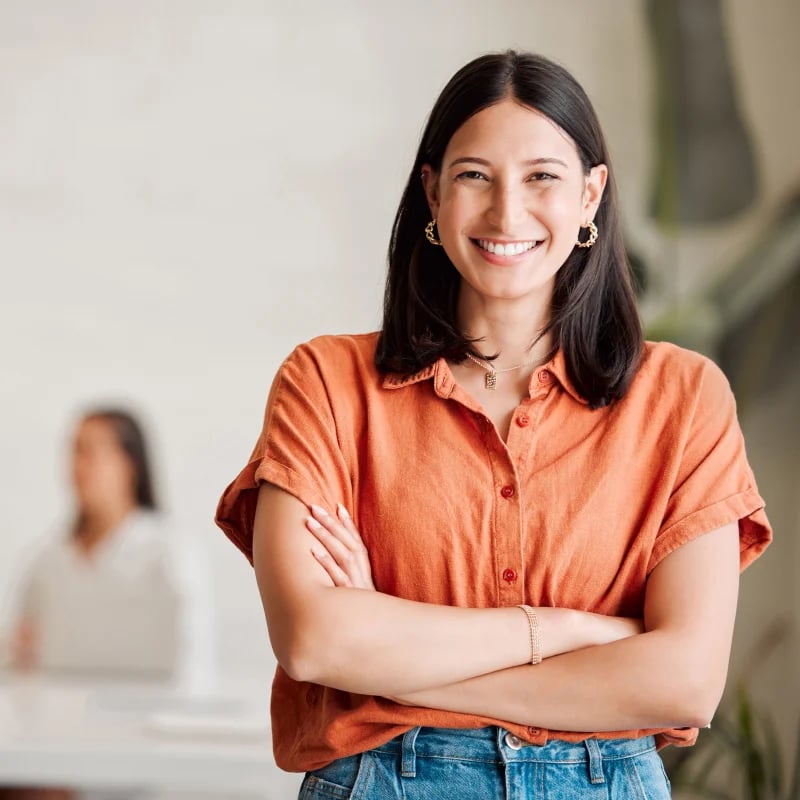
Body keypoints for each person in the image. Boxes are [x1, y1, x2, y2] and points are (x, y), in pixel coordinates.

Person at [215, 51, 772, 799]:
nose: (507, 212)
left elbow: (684, 682)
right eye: (475, 175)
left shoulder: (684, 395)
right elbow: (316, 642)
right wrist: (570, 632)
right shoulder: (325, 383)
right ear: (432, 196)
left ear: (590, 195)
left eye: (542, 176)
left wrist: (393, 661)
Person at [9, 408, 208, 679]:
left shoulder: (168, 552)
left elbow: (192, 661)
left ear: (130, 464)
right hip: (53, 714)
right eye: (74, 452)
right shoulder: (46, 559)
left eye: (90, 452)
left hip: (146, 712)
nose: (77, 467)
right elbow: (16, 652)